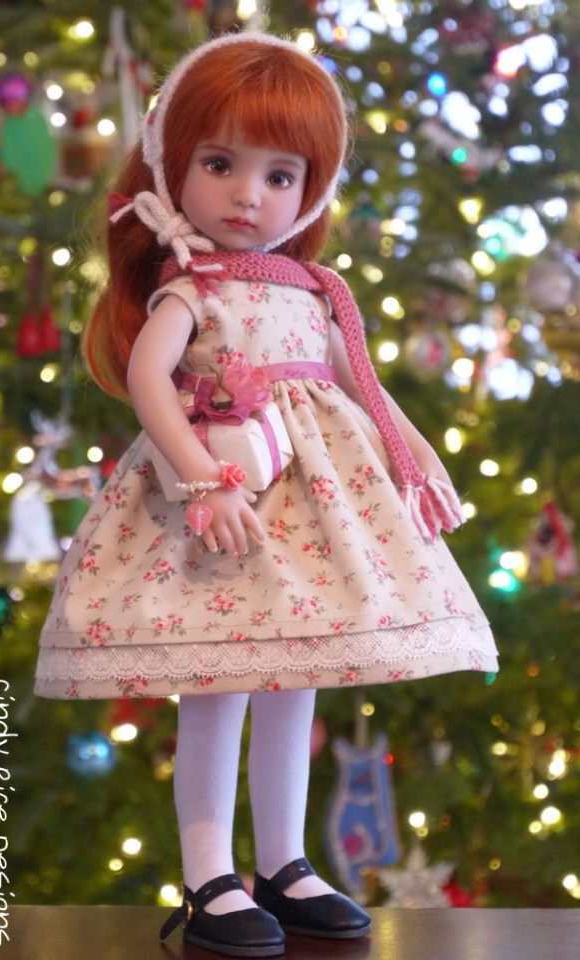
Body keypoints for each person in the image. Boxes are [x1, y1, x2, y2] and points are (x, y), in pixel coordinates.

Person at [36, 32, 498, 957]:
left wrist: (417, 460)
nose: (248, 195)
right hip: (220, 515)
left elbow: (365, 388)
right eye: (220, 164)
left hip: (317, 524)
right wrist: (200, 480)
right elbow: (148, 381)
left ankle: (284, 863)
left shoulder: (317, 292)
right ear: (172, 165)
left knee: (297, 684)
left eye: (279, 176)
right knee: (218, 684)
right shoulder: (190, 288)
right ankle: (209, 874)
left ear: (311, 190)